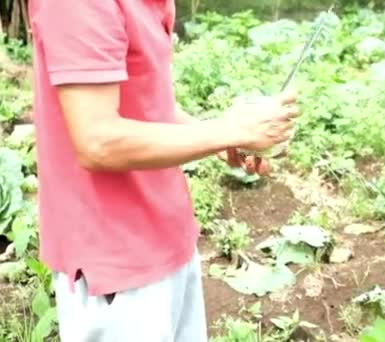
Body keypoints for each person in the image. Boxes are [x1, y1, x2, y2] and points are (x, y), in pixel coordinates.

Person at [27, 0, 299, 341]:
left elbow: (147, 104)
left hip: (169, 240)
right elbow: (98, 140)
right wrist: (233, 131)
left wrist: (221, 134)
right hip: (116, 265)